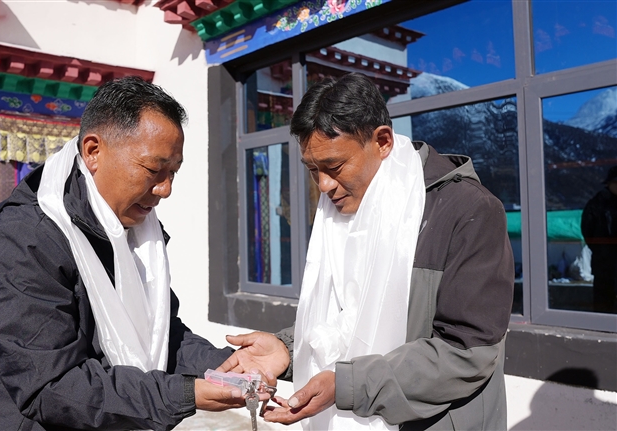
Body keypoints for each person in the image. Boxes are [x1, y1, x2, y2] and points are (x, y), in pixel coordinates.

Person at [0, 77, 264, 430]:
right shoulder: (24, 242)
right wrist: (182, 394)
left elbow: (160, 333)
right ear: (94, 151)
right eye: (153, 169)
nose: (165, 189)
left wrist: (228, 366)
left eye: (173, 172)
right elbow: (52, 388)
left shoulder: (133, 235)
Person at [219, 73, 514, 430]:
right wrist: (287, 349)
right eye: (313, 170)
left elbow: (467, 351)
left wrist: (349, 385)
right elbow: (351, 316)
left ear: (382, 141)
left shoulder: (468, 210)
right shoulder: (345, 207)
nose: (324, 185)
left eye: (334, 167)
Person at [581, 166, 617, 314]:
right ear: (610, 183)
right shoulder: (597, 204)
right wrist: (600, 249)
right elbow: (587, 230)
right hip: (604, 263)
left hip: (604, 259)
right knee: (603, 303)